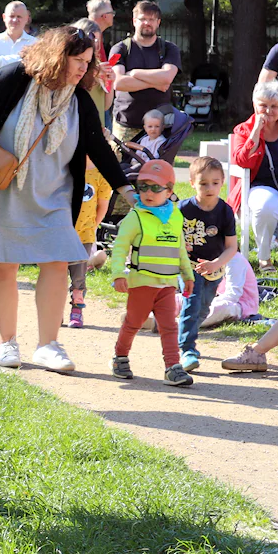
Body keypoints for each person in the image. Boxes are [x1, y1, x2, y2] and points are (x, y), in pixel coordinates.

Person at [0, 25, 134, 373]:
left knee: (58, 262)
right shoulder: (15, 77)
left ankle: (48, 345)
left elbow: (98, 148)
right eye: (77, 60)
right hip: (3, 192)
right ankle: (7, 343)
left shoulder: (79, 100)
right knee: (3, 266)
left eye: (88, 63)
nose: (82, 70)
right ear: (57, 56)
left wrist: (125, 189)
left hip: (54, 196)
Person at [110, 160, 195, 386]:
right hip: (141, 284)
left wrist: (188, 275)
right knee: (133, 323)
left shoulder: (175, 217)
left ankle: (173, 367)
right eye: (143, 186)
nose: (148, 192)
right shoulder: (135, 217)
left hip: (166, 284)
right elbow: (119, 248)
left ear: (169, 191)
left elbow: (179, 248)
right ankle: (120, 357)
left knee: (169, 326)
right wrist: (118, 274)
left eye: (156, 188)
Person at [177, 157, 237, 372]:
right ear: (192, 183)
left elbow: (231, 247)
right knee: (192, 305)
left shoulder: (225, 211)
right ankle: (186, 350)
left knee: (203, 308)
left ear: (223, 182)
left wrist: (216, 264)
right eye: (203, 183)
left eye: (215, 182)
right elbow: (170, 236)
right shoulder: (182, 209)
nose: (209, 188)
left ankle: (184, 330)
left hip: (214, 269)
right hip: (188, 267)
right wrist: (180, 248)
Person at [110, 0, 182, 148]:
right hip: (126, 124)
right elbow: (118, 83)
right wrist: (157, 81)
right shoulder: (121, 49)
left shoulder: (169, 49)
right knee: (120, 169)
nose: (147, 23)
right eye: (143, 19)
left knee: (157, 170)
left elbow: (167, 77)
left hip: (159, 127)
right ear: (134, 21)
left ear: (158, 22)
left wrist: (134, 73)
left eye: (151, 19)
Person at [230, 81, 278, 270]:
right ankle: (264, 258)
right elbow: (241, 160)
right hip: (260, 185)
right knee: (266, 206)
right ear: (255, 104)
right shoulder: (244, 130)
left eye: (274, 106)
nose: (269, 111)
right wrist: (255, 132)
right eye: (263, 105)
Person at [66, 157, 112, 329]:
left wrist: (93, 227)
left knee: (78, 276)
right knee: (55, 274)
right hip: (60, 231)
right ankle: (54, 312)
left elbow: (102, 204)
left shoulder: (101, 174)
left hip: (84, 235)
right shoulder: (64, 164)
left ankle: (77, 310)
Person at [70, 18, 115, 126]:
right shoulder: (72, 65)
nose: (95, 44)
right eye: (91, 38)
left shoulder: (98, 65)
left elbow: (105, 106)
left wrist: (111, 82)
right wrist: (92, 74)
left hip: (97, 128)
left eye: (97, 40)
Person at [0, 1, 37, 72]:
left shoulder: (35, 43)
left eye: (19, 17)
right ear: (4, 17)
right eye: (12, 16)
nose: (15, 20)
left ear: (26, 19)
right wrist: (22, 59)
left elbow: (37, 66)